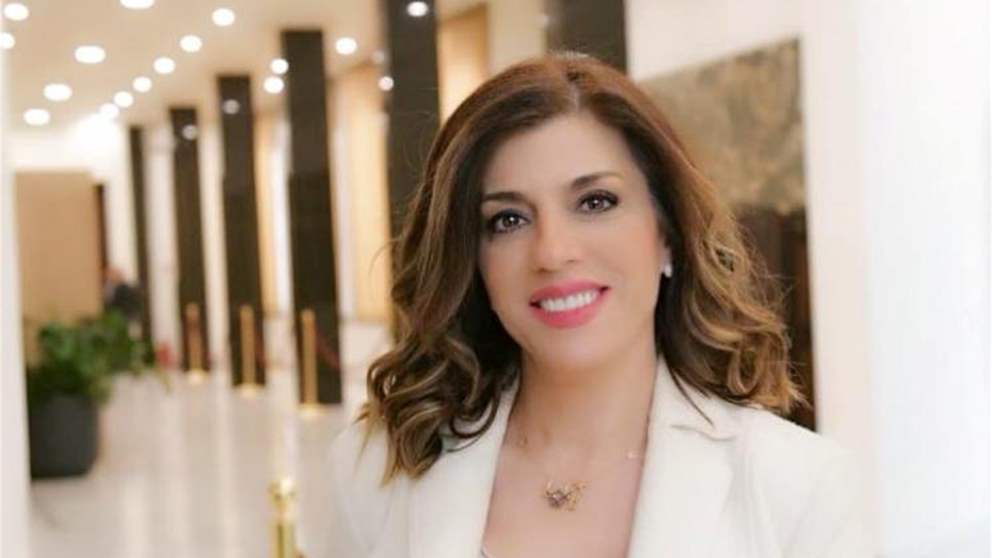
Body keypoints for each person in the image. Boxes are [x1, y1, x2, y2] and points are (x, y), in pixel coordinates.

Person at [327, 53, 869, 557]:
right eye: (508, 220)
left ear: (667, 233)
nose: (553, 252)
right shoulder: (375, 470)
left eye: (595, 202)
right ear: (473, 261)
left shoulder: (799, 488)